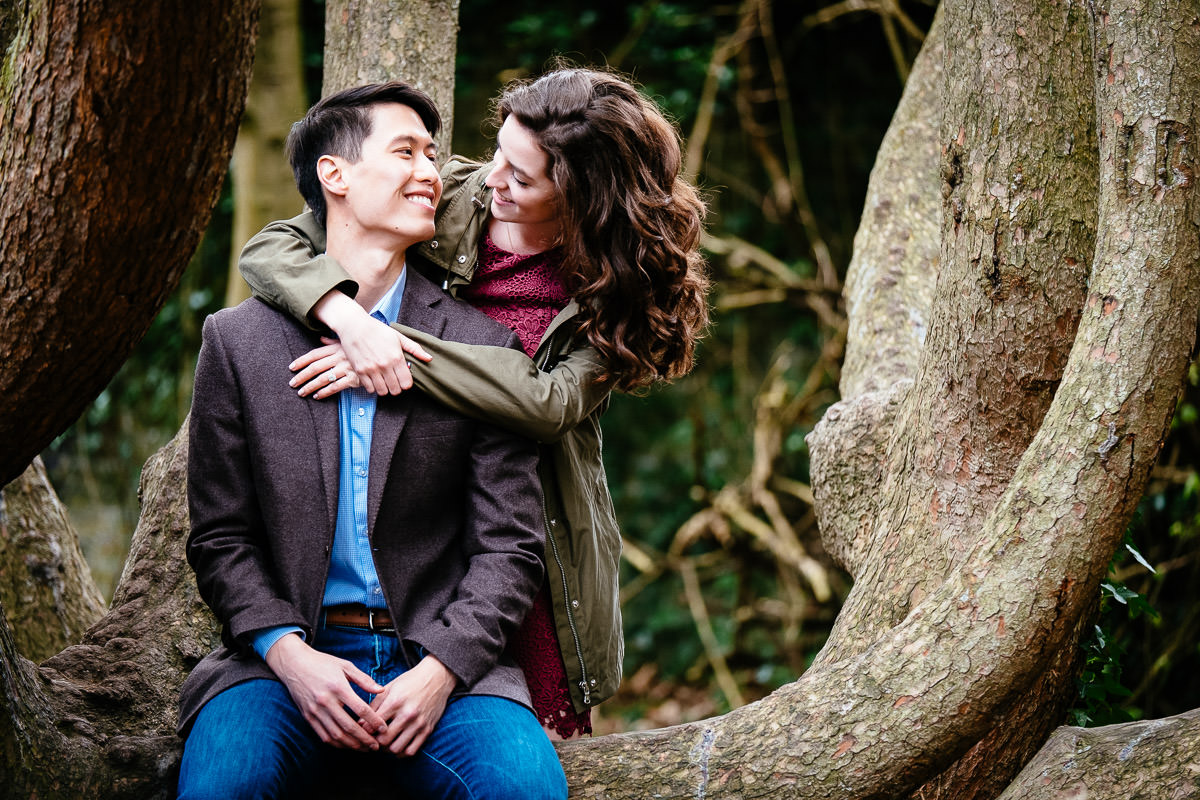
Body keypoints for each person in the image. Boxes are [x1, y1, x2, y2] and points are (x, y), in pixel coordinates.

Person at [239, 66, 710, 739]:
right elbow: (270, 247)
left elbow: (547, 402)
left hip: (529, 532)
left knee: (524, 749)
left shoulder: (621, 285)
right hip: (410, 513)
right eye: (498, 154)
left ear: (582, 196)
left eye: (520, 177)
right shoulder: (452, 196)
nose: (493, 179)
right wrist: (352, 323)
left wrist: (397, 349)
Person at [178, 82, 567, 800]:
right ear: (336, 176)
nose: (432, 172)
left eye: (432, 153)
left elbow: (510, 547)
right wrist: (289, 657)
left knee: (522, 788)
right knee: (227, 785)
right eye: (406, 152)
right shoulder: (237, 343)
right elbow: (221, 538)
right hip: (279, 664)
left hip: (442, 666)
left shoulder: (483, 348)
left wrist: (440, 671)